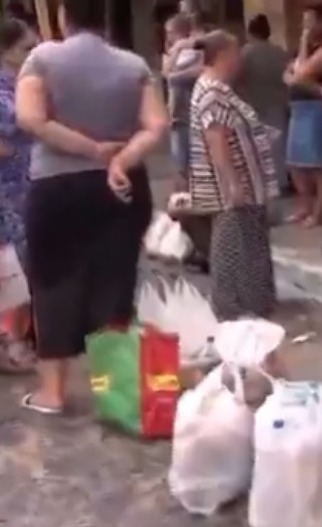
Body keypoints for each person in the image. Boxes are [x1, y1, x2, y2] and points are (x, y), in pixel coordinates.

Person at [15, 0, 167, 413]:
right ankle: (112, 388)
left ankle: (54, 392)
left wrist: (90, 148)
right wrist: (119, 157)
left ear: (64, 16)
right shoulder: (134, 64)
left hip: (57, 186)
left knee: (52, 283)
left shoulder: (43, 57)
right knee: (114, 282)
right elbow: (157, 124)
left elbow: (30, 117)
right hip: (122, 186)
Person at [189, 30, 277, 321]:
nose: (240, 59)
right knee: (234, 247)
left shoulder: (216, 88)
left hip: (244, 185)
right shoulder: (213, 93)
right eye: (236, 52)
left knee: (249, 245)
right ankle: (236, 308)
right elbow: (218, 142)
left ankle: (252, 305)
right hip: (234, 188)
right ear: (225, 55)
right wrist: (233, 185)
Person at [0, 18, 37, 374]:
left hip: (24, 188)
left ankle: (18, 338)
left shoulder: (19, 85)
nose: (32, 54)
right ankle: (14, 342)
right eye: (26, 48)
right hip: (6, 192)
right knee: (14, 270)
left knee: (21, 268)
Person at [284, 1, 322, 227]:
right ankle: (305, 205)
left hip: (316, 108)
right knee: (295, 162)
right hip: (298, 107)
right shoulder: (304, 48)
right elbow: (288, 74)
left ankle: (320, 211)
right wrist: (296, 76)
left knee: (317, 163)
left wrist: (304, 41)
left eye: (310, 20)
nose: (305, 24)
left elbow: (300, 73)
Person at [236, 13, 289, 206]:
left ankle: (266, 186)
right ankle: (281, 182)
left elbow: (237, 78)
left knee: (259, 147)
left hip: (254, 104)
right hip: (278, 102)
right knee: (278, 146)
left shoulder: (245, 53)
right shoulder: (279, 52)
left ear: (250, 32)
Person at [162, 12, 201, 181]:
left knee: (193, 161)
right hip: (176, 113)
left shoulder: (196, 51)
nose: (168, 36)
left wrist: (175, 74)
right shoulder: (173, 52)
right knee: (179, 164)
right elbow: (166, 73)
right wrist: (176, 50)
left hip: (191, 112)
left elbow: (199, 70)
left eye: (170, 32)